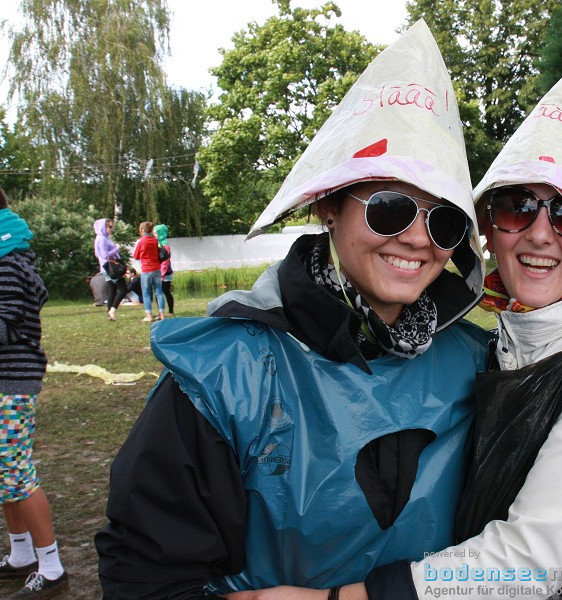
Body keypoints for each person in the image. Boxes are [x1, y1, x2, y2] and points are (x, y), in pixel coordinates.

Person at [241, 55, 562, 600]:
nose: (540, 234)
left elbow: (530, 559)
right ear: (487, 228)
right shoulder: (502, 339)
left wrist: (343, 599)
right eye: (517, 206)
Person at [96, 21, 489, 599]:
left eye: (445, 220)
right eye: (389, 207)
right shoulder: (228, 373)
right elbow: (145, 576)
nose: (417, 239)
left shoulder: (480, 365)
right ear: (329, 206)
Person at [0, 183, 69, 598]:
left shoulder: (4, 265)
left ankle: (52, 567)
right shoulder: (4, 259)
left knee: (15, 473)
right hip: (0, 383)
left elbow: (3, 328)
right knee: (0, 471)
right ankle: (22, 554)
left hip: (8, 384)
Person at [93, 218, 129, 321]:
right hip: (111, 268)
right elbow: (105, 255)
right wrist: (116, 248)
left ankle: (110, 314)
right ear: (102, 227)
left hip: (105, 268)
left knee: (112, 291)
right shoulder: (102, 239)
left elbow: (97, 254)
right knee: (123, 290)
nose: (111, 229)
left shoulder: (100, 238)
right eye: (109, 227)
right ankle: (112, 310)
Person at [132, 221, 166, 322]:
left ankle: (148, 316)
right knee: (159, 292)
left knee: (146, 293)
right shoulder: (154, 240)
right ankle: (162, 314)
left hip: (146, 269)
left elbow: (136, 256)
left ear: (142, 230)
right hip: (157, 268)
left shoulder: (141, 241)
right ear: (151, 230)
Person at [153, 224, 174, 317]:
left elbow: (165, 262)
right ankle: (160, 312)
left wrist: (161, 275)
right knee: (158, 293)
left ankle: (170, 311)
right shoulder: (157, 244)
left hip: (165, 274)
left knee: (166, 292)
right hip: (159, 272)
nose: (154, 235)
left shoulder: (165, 245)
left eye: (155, 233)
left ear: (160, 233)